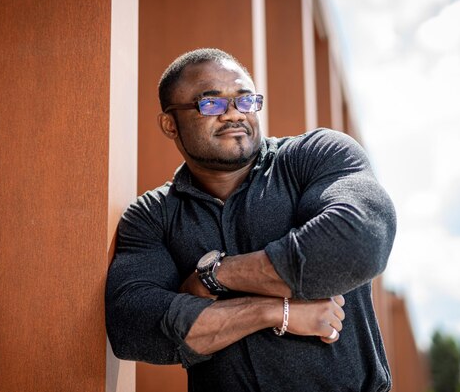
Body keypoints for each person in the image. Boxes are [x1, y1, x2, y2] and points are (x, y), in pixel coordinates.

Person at [106, 48, 396, 392]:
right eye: (211, 104)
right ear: (170, 124)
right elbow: (133, 324)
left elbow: (357, 243)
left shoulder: (316, 156)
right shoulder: (151, 216)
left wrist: (214, 276)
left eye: (245, 101)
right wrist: (273, 311)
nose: (233, 115)